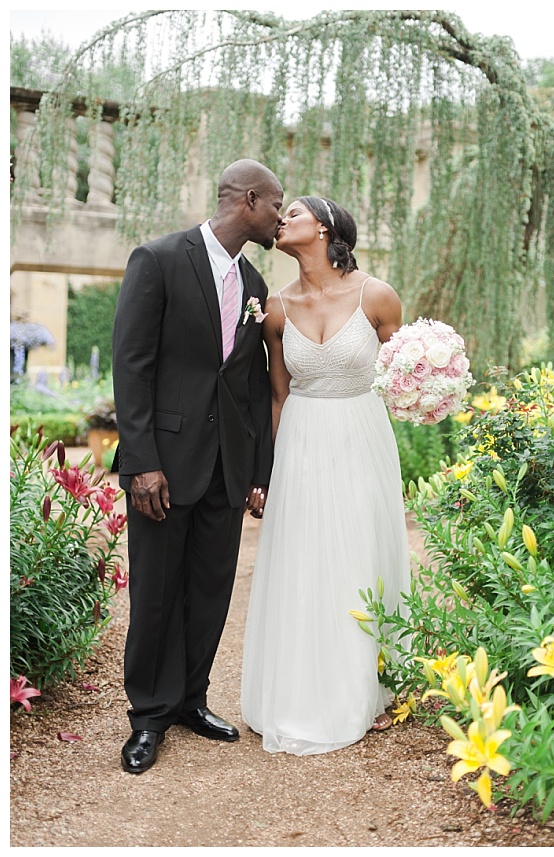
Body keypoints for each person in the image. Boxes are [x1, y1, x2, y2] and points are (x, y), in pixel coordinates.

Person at [112, 158, 281, 774]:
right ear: (250, 200)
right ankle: (149, 717)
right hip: (164, 465)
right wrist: (141, 461)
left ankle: (190, 699)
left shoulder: (256, 287)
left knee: (210, 590)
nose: (280, 218)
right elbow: (131, 366)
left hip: (225, 470)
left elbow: (253, 384)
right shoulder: (157, 260)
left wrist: (258, 470)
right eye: (275, 205)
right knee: (155, 592)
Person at [239, 196, 410, 755]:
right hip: (302, 440)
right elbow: (278, 394)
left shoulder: (377, 296)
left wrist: (428, 388)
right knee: (303, 559)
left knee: (357, 555)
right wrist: (267, 469)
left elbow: (403, 373)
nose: (282, 219)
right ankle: (300, 690)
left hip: (362, 434)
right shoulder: (276, 307)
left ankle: (367, 686)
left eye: (295, 212)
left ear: (326, 228)